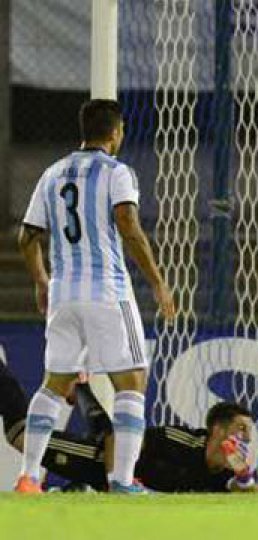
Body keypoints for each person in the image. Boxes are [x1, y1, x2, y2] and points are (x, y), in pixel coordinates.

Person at [15, 99, 177, 493]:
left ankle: (29, 478)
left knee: (53, 385)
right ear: (116, 132)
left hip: (63, 295)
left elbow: (27, 237)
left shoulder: (52, 174)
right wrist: (156, 280)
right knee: (131, 381)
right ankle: (121, 481)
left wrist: (41, 280)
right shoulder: (116, 172)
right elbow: (127, 223)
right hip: (107, 291)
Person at [0, 361, 257, 493]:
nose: (246, 437)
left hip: (117, 476)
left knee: (102, 427)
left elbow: (250, 496)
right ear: (218, 431)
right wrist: (116, 485)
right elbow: (120, 440)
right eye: (241, 428)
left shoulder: (229, 470)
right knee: (20, 434)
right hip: (101, 463)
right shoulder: (181, 441)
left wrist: (244, 477)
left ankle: (80, 386)